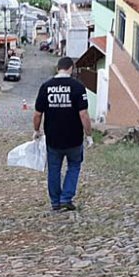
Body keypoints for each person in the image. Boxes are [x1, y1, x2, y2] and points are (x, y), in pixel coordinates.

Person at [33, 57, 93, 211]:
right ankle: (66, 197)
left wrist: (36, 130)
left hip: (53, 139)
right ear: (71, 68)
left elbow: (37, 114)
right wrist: (89, 135)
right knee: (74, 166)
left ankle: (55, 202)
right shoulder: (78, 87)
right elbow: (84, 114)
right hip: (74, 138)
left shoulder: (46, 87)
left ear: (57, 68)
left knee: (54, 169)